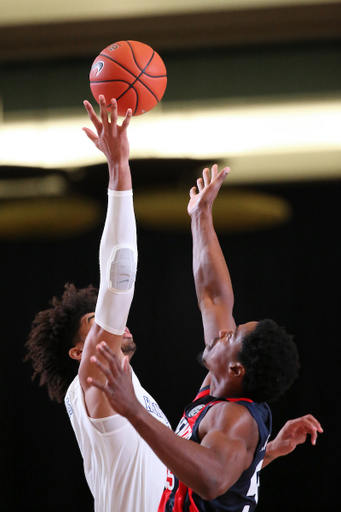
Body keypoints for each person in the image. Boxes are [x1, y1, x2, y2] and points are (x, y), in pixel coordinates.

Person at [88, 165, 323, 512]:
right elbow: (214, 297)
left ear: (238, 369)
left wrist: (133, 408)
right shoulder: (226, 388)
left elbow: (213, 481)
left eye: (233, 336)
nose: (224, 332)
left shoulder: (234, 418)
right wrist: (201, 217)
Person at [24, 95, 170, 512]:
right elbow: (120, 276)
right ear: (78, 352)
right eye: (95, 320)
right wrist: (119, 169)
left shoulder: (122, 390)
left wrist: (260, 455)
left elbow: (182, 471)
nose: (115, 324)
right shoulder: (93, 377)